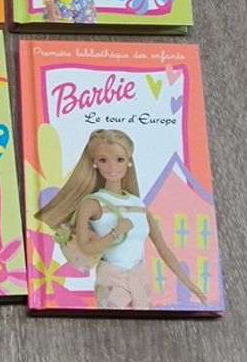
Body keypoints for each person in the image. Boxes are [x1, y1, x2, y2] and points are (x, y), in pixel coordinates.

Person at [35, 128, 207, 309]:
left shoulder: (138, 204)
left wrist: (189, 284)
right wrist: (116, 233)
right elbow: (86, 247)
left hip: (139, 282)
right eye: (103, 160)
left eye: (119, 160)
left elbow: (162, 247)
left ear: (128, 162)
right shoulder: (92, 203)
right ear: (95, 163)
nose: (112, 167)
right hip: (110, 285)